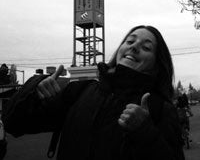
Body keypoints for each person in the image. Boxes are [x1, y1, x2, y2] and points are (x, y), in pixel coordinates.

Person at [2, 25, 185, 160]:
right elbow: (13, 123)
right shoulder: (80, 92)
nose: (134, 47)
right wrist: (34, 90)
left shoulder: (159, 109)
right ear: (120, 50)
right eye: (130, 41)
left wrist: (144, 132)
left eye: (146, 47)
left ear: (156, 66)